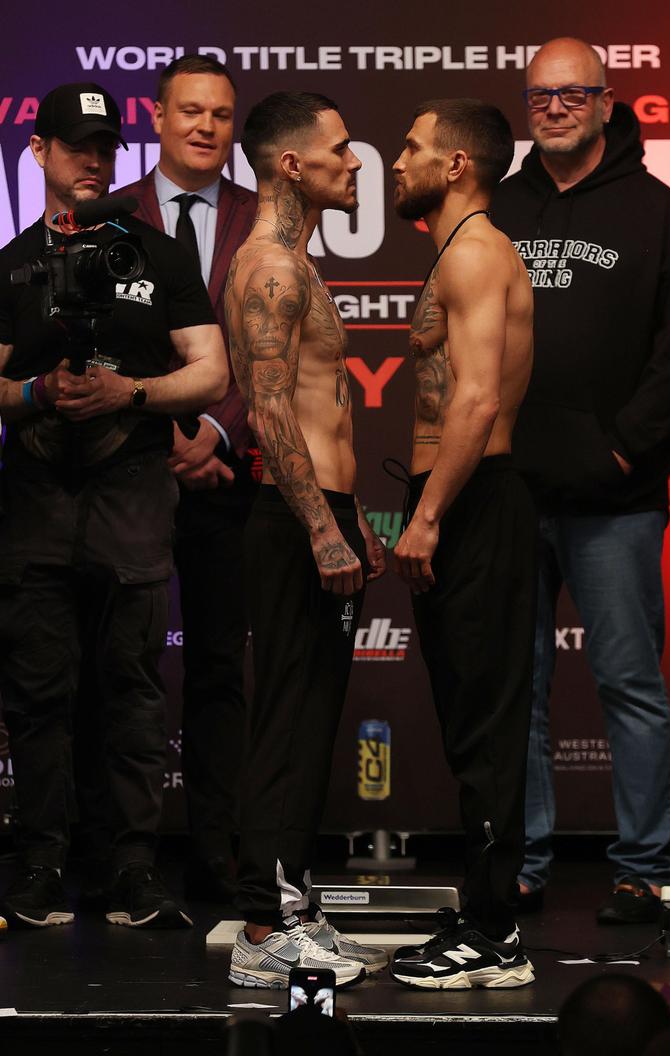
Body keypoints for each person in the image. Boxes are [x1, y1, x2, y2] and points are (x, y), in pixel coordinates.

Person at [490, 37, 670, 923]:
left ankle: (642, 867)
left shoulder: (658, 213)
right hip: (512, 492)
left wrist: (621, 447)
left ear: (606, 101)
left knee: (629, 684)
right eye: (540, 97)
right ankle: (525, 861)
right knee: (521, 691)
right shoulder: (499, 207)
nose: (554, 108)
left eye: (572, 94)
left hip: (616, 499)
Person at [0, 82, 228, 927]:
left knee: (132, 689)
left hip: (132, 498)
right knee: (39, 693)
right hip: (35, 504)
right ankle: (39, 864)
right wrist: (37, 388)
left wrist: (127, 393)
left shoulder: (161, 256)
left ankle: (134, 869)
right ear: (41, 152)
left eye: (105, 145)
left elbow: (211, 370)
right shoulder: (13, 266)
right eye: (75, 146)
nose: (93, 160)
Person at [224, 91, 387, 987]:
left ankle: (294, 905)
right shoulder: (271, 270)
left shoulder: (295, 262)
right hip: (296, 518)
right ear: (293, 165)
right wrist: (323, 529)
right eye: (340, 150)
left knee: (312, 715)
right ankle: (260, 931)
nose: (355, 163)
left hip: (320, 507)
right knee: (288, 717)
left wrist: (345, 515)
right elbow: (270, 407)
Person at [388, 99, 537, 989]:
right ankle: (483, 915)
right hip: (460, 493)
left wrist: (431, 512)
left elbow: (477, 401)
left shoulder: (477, 252)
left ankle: (495, 935)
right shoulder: (458, 251)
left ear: (455, 166)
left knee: (484, 722)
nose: (397, 159)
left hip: (474, 498)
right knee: (468, 718)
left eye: (412, 146)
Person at [114, 54, 259, 902]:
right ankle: (117, 854)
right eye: (191, 111)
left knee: (216, 671)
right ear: (159, 117)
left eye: (221, 114)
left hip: (227, 476)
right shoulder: (112, 216)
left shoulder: (265, 219)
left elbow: (272, 349)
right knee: (120, 668)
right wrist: (164, 431)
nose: (206, 126)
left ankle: (214, 853)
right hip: (128, 477)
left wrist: (211, 431)